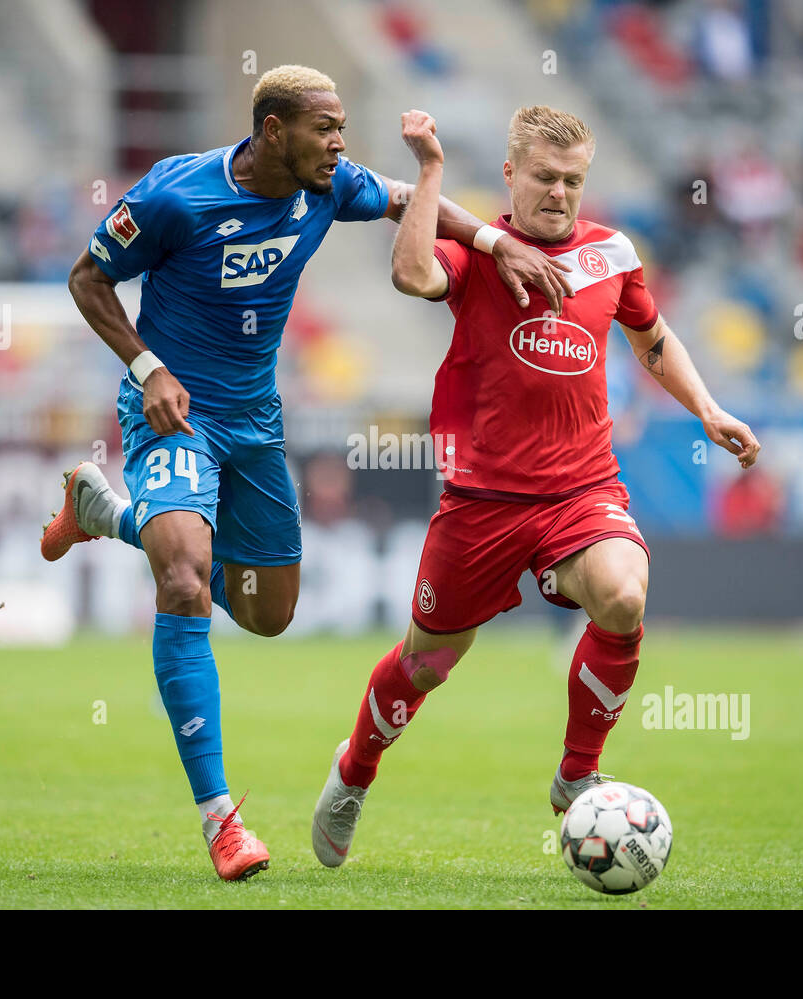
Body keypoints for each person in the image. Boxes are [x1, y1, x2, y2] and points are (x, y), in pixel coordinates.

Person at [41, 66, 572, 881]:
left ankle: (106, 513)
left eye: (343, 129)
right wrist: (148, 367)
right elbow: (88, 279)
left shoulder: (329, 186)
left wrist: (499, 245)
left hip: (254, 424)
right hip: (175, 412)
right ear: (271, 129)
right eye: (324, 129)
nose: (339, 144)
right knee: (183, 580)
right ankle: (221, 820)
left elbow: (409, 206)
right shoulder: (174, 195)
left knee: (266, 612)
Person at [312, 106, 761, 867]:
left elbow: (650, 339)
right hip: (482, 501)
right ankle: (354, 770)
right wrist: (430, 172)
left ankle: (576, 771)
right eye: (546, 178)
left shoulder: (612, 254)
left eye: (574, 181)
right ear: (513, 175)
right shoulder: (481, 250)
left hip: (581, 493)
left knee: (623, 594)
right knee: (427, 662)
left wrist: (707, 407)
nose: (560, 193)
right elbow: (411, 272)